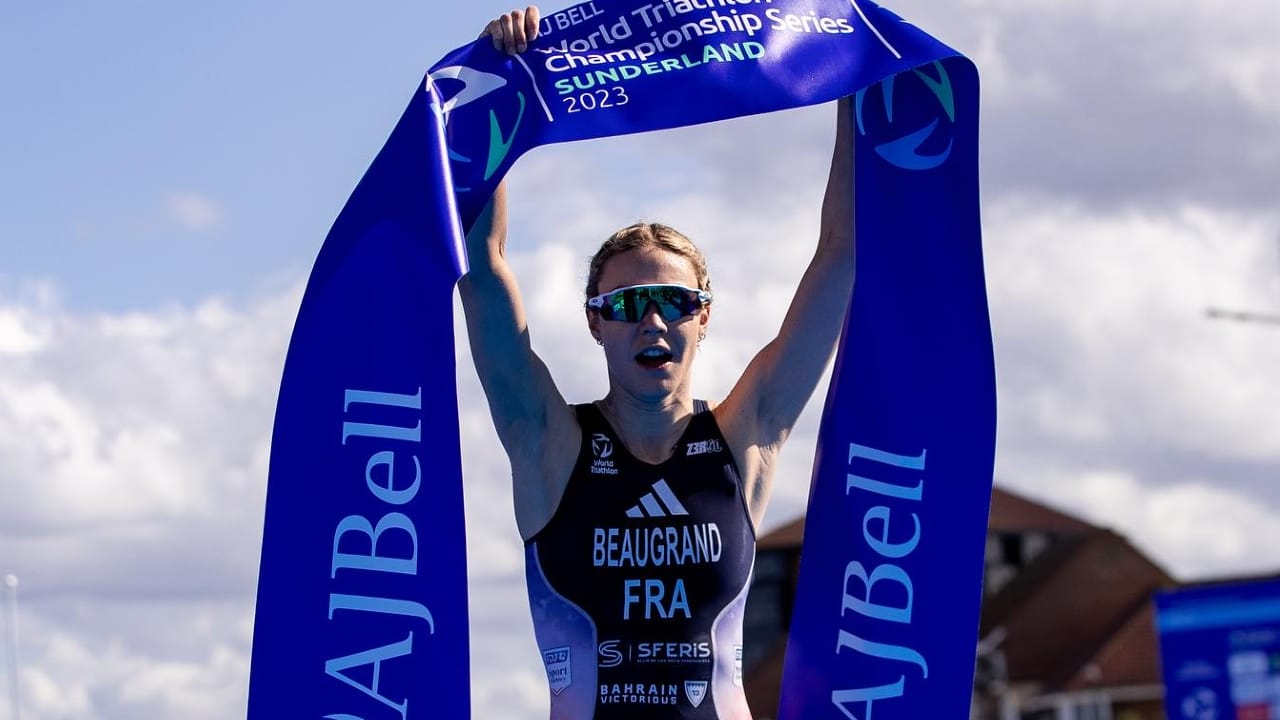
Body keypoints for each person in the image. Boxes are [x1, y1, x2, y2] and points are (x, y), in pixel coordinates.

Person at [458, 7, 855, 718]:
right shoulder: (546, 444)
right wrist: (502, 84)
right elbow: (482, 270)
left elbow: (840, 254)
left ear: (703, 318)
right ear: (594, 323)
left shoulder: (748, 434)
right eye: (629, 302)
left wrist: (860, 72)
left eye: (674, 301)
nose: (652, 320)